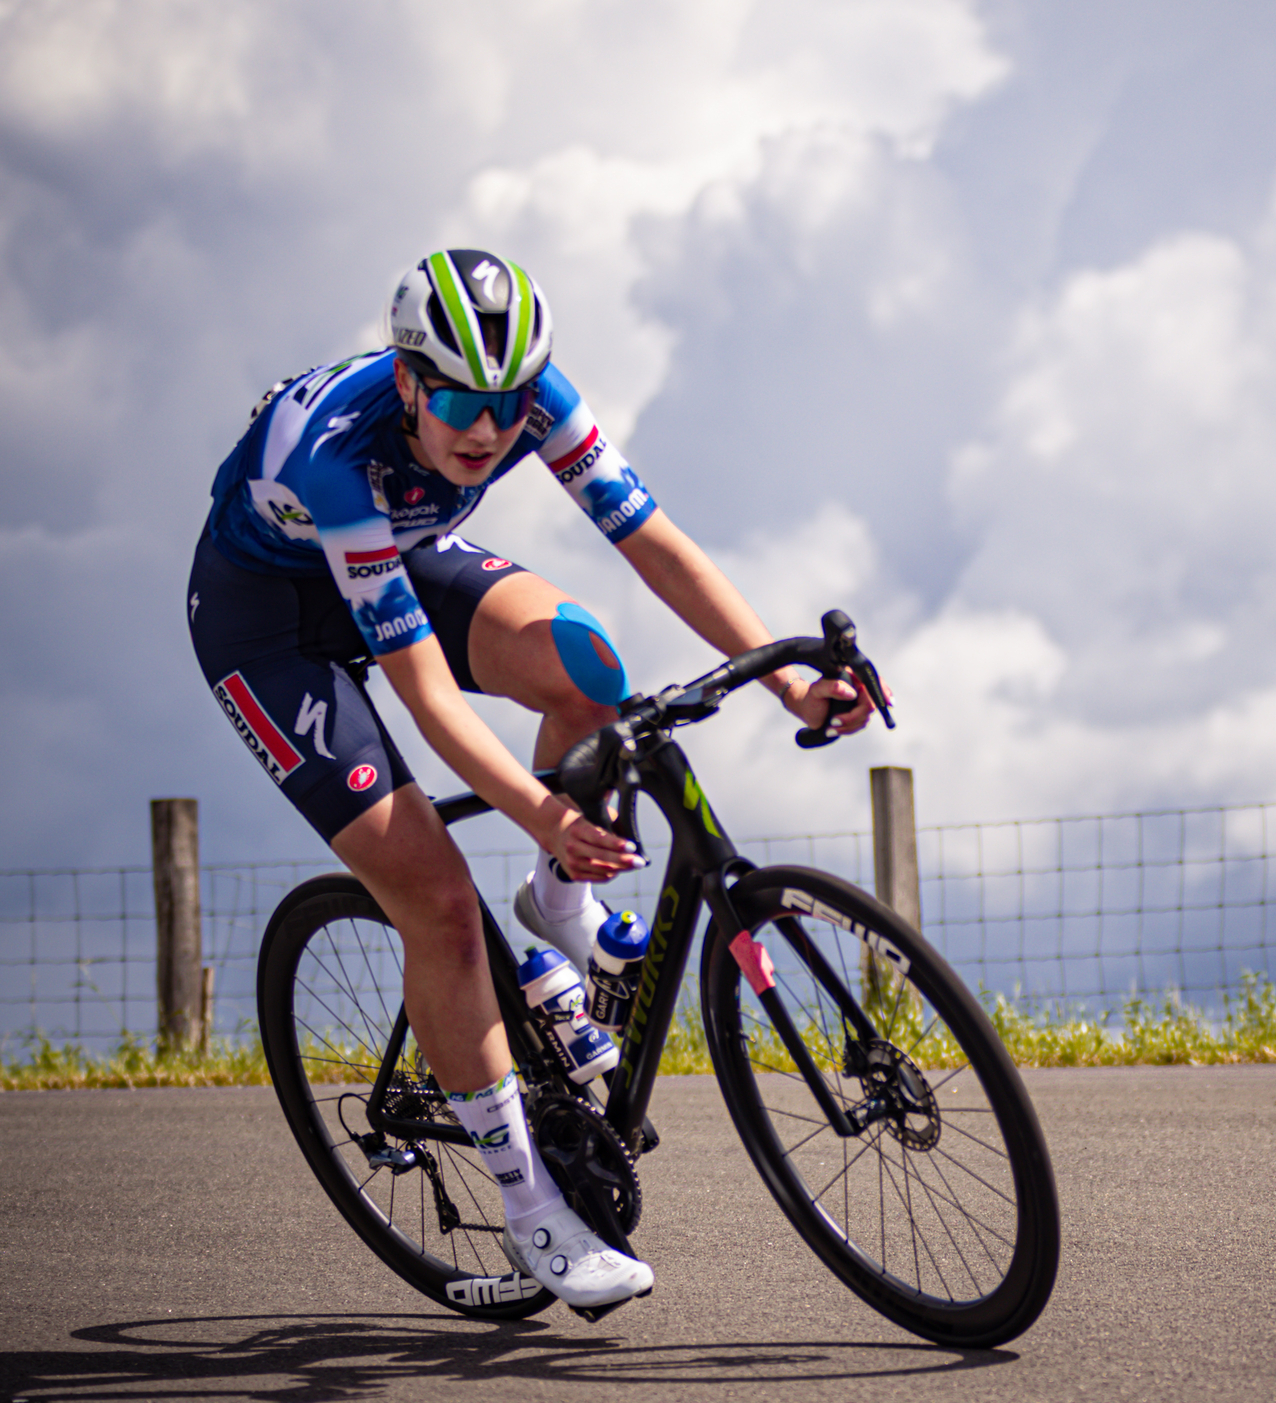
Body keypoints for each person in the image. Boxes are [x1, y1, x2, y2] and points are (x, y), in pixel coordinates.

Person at [189, 247, 874, 1313]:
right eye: (459, 399)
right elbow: (425, 696)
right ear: (411, 380)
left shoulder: (525, 401)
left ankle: (558, 907)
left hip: (395, 557)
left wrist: (785, 677)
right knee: (438, 902)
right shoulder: (337, 456)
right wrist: (543, 807)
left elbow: (652, 542)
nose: (487, 429)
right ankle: (534, 1214)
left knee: (588, 669)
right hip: (268, 622)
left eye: (508, 404)